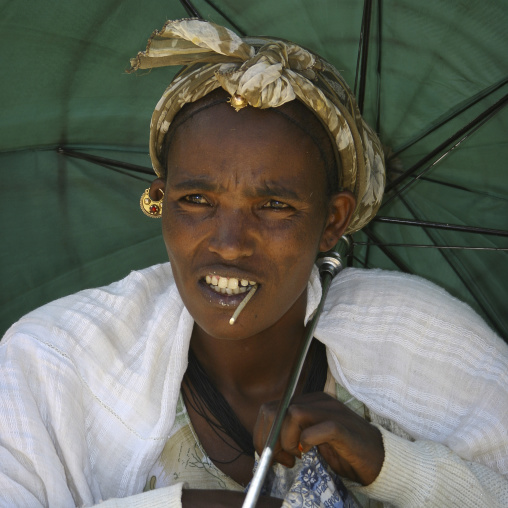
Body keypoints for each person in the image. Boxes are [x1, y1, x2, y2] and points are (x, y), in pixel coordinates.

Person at [0, 19, 507, 508]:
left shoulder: (416, 336)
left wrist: (391, 466)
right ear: (160, 199)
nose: (229, 244)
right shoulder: (53, 361)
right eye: (197, 199)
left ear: (333, 220)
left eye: (274, 206)